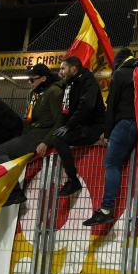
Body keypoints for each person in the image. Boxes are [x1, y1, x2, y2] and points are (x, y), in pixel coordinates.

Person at [0, 64, 65, 205]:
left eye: (32, 80)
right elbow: (28, 120)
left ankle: (14, 192)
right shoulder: (34, 93)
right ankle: (14, 191)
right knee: (2, 149)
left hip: (42, 133)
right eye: (29, 79)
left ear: (43, 78)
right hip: (32, 133)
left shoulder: (54, 92)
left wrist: (46, 142)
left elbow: (60, 122)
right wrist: (20, 139)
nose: (29, 82)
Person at [84, 48, 138, 226]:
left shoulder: (120, 74)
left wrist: (107, 134)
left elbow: (112, 106)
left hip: (123, 124)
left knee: (112, 165)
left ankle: (106, 209)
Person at [51, 56, 106, 196]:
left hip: (94, 127)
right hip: (79, 126)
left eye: (63, 68)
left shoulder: (88, 82)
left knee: (59, 139)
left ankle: (73, 180)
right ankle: (72, 180)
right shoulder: (69, 84)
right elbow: (65, 110)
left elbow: (86, 106)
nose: (60, 72)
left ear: (74, 68)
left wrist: (68, 126)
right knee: (56, 137)